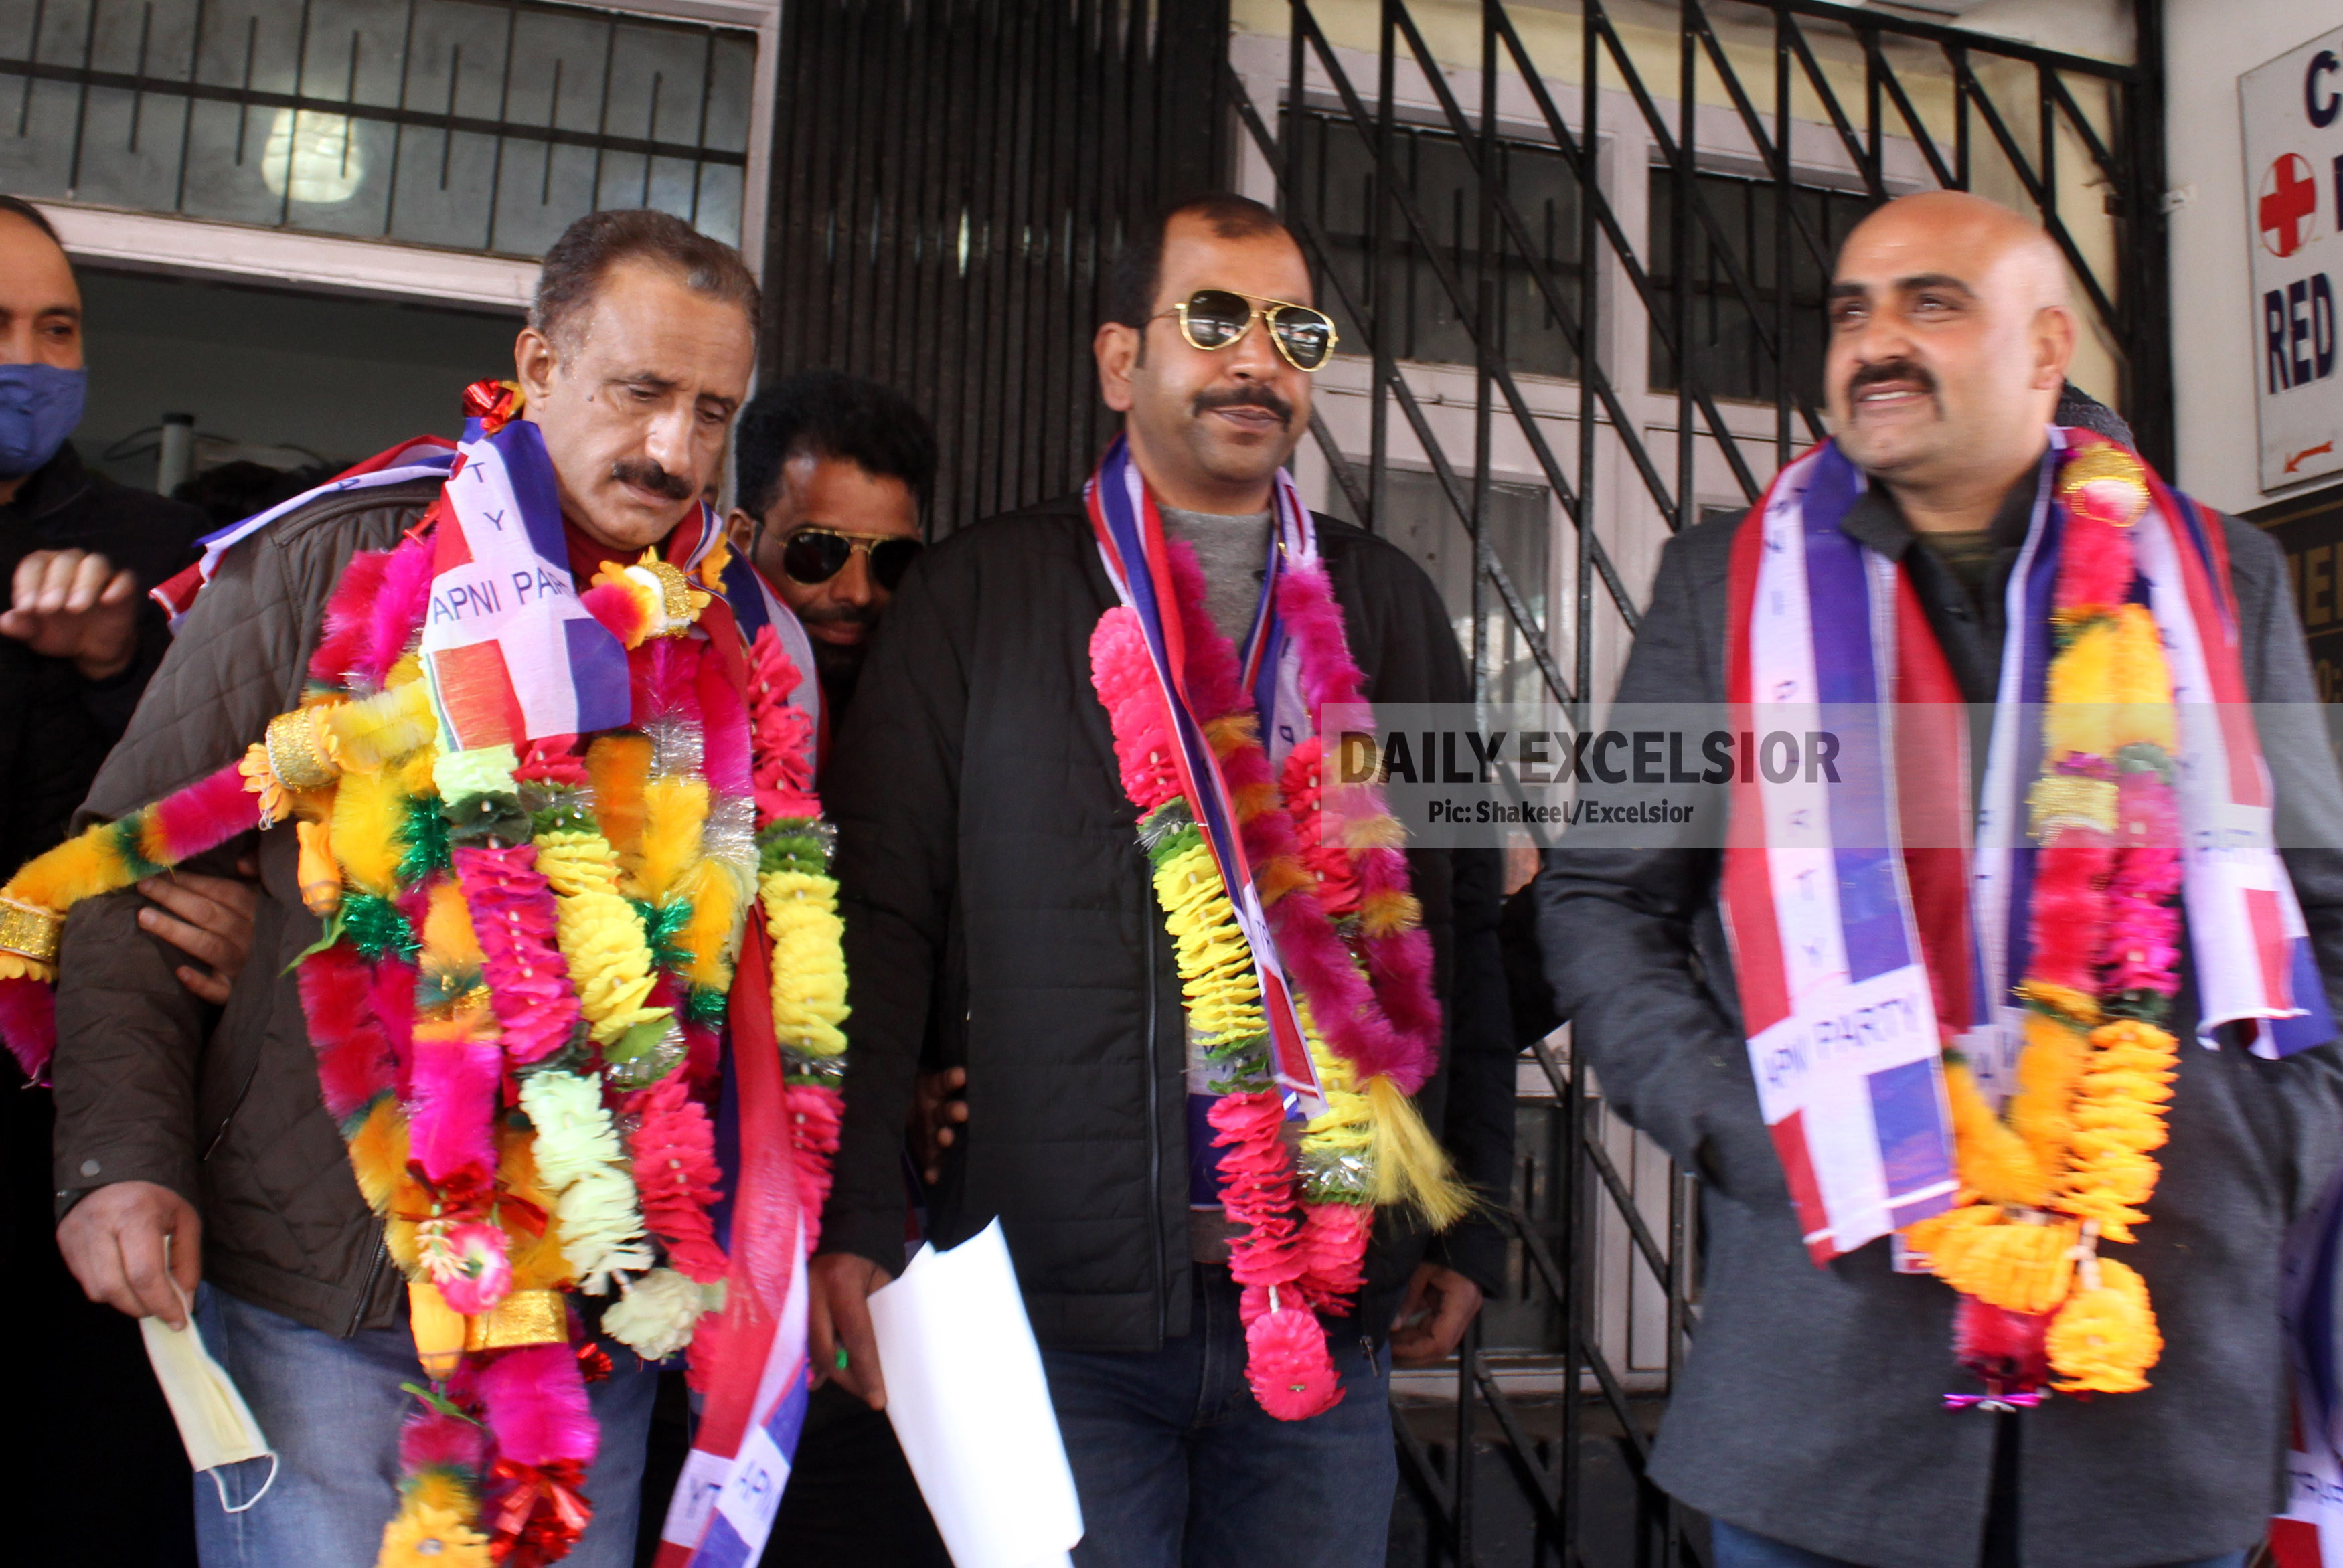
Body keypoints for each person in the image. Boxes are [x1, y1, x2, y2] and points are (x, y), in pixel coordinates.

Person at [1536, 189, 2343, 1566]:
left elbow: (2323, 902)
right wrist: (1749, 1122)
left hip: (2153, 1362)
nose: (1875, 342)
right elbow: (1603, 893)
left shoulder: (2225, 580)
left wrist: (2276, 1140)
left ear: (2046, 348)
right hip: (1829, 1378)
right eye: (1851, 310)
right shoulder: (1725, 583)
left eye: (1932, 304)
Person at [35, 207, 783, 1568]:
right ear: (538, 364)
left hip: (584, 1305)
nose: (675, 449)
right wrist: (121, 1160)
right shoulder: (337, 554)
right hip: (323, 1280)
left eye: (712, 411)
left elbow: (750, 955)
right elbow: (127, 867)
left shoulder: (725, 633)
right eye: (640, 391)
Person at [807, 193, 1517, 1566]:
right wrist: (854, 1215)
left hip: (1327, 1306)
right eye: (1215, 319)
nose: (1257, 360)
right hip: (1052, 1314)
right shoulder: (979, 599)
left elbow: (1463, 924)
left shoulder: (1391, 608)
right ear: (1120, 359)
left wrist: (1467, 1218)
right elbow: (878, 920)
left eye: (1293, 330)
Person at [0, 191, 261, 1568]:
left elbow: (229, 803)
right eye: (1, 327)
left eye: (59, 329)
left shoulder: (159, 555)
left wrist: (117, 664)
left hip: (94, 1126)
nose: (31, 361)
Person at [728, 370, 935, 713]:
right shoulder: (673, 699)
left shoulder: (938, 706)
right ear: (742, 540)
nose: (858, 593)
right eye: (819, 550)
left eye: (891, 558)